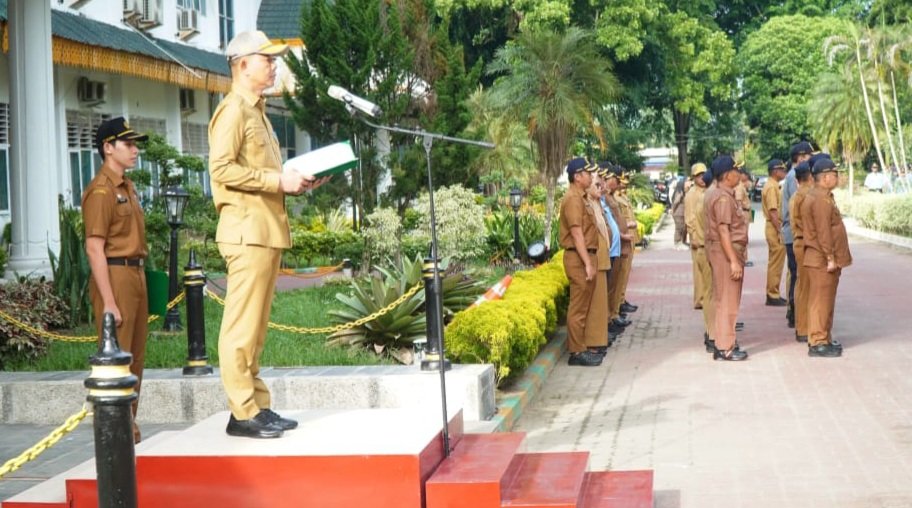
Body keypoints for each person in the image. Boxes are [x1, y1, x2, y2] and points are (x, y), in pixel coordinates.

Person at [208, 31, 326, 438]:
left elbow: (265, 176)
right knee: (241, 327)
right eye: (267, 59)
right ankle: (242, 412)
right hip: (246, 232)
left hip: (264, 231)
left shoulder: (257, 112)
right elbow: (220, 170)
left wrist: (296, 181)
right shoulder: (233, 112)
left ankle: (256, 405)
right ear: (242, 65)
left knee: (256, 328)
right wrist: (278, 180)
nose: (274, 66)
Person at [82, 116, 150, 444]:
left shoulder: (127, 187)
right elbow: (94, 248)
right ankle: (117, 435)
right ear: (108, 148)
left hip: (135, 274)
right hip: (116, 276)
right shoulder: (101, 191)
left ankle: (129, 431)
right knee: (118, 357)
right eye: (129, 144)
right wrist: (109, 301)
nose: (135, 150)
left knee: (135, 357)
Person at [801, 158, 851, 358]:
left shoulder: (821, 196)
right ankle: (819, 341)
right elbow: (823, 232)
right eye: (835, 174)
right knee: (821, 302)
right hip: (822, 259)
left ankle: (823, 337)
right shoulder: (820, 199)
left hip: (820, 258)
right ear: (826, 177)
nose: (837, 178)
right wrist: (830, 258)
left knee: (823, 301)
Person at [558, 158, 602, 367]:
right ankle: (576, 352)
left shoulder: (581, 197)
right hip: (578, 256)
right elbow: (576, 233)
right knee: (578, 307)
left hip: (584, 255)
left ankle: (581, 346)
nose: (591, 176)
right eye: (587, 173)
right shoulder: (573, 199)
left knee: (583, 305)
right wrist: (587, 263)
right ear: (577, 176)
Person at [704, 155, 749, 361]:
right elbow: (723, 231)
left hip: (723, 251)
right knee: (728, 301)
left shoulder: (723, 194)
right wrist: (733, 260)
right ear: (728, 175)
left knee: (724, 299)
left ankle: (723, 341)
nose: (739, 174)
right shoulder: (722, 198)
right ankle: (725, 347)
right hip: (725, 253)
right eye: (736, 170)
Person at [781, 141, 814, 328]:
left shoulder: (792, 175)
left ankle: (795, 311)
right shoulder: (797, 178)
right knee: (798, 276)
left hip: (792, 233)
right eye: (809, 155)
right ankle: (796, 313)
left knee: (795, 275)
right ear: (801, 157)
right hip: (795, 235)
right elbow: (800, 209)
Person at [583, 170, 612, 356]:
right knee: (595, 303)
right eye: (597, 185)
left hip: (602, 255)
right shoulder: (586, 203)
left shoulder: (596, 203)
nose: (601, 188)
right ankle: (593, 342)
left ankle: (599, 339)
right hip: (595, 255)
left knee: (601, 302)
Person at [788, 160, 814, 344]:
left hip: (800, 242)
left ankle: (802, 326)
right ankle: (804, 328)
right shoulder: (805, 196)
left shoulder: (798, 195)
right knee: (806, 288)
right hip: (805, 243)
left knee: (801, 286)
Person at [597, 162, 623, 344]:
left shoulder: (603, 199)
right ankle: (605, 323)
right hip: (603, 253)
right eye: (600, 181)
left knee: (611, 288)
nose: (603, 184)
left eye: (605, 180)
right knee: (603, 294)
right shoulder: (594, 201)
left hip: (612, 251)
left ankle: (610, 318)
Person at [762, 159, 788, 306]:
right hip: (774, 227)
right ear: (775, 171)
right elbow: (773, 212)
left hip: (773, 226)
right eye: (782, 170)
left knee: (775, 261)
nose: (784, 172)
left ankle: (773, 292)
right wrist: (780, 230)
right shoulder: (772, 187)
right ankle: (773, 294)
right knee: (776, 263)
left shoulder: (772, 185)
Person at [671, 175, 687, 250]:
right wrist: (673, 210)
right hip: (679, 213)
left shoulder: (680, 192)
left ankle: (680, 242)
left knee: (681, 228)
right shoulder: (680, 193)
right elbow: (676, 202)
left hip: (680, 213)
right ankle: (677, 243)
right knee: (679, 228)